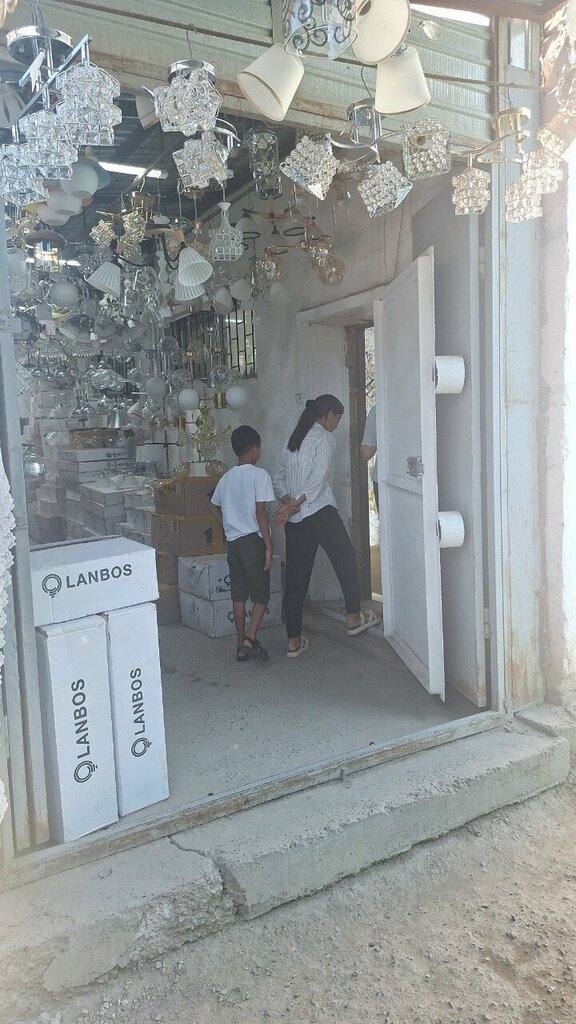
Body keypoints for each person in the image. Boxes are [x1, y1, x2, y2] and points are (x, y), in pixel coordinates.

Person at [273, 395, 380, 658]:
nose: (336, 425)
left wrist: (287, 503)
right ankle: (353, 617)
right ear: (328, 415)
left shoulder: (293, 438)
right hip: (320, 512)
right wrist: (294, 504)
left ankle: (293, 641)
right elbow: (317, 481)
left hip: (296, 520)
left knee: (297, 579)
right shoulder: (324, 438)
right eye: (337, 420)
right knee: (346, 561)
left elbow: (278, 478)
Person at [210, 425, 275, 662]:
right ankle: (250, 638)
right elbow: (261, 513)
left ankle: (240, 646)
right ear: (254, 449)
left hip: (233, 543)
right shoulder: (260, 475)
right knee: (261, 595)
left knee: (238, 596)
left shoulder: (226, 478)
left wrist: (227, 525)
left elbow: (213, 506)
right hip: (252, 541)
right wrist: (268, 545)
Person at [360, 404, 378, 511]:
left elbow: (366, 452)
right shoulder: (423, 403)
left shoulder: (377, 410)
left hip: (384, 476)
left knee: (388, 518)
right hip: (420, 476)